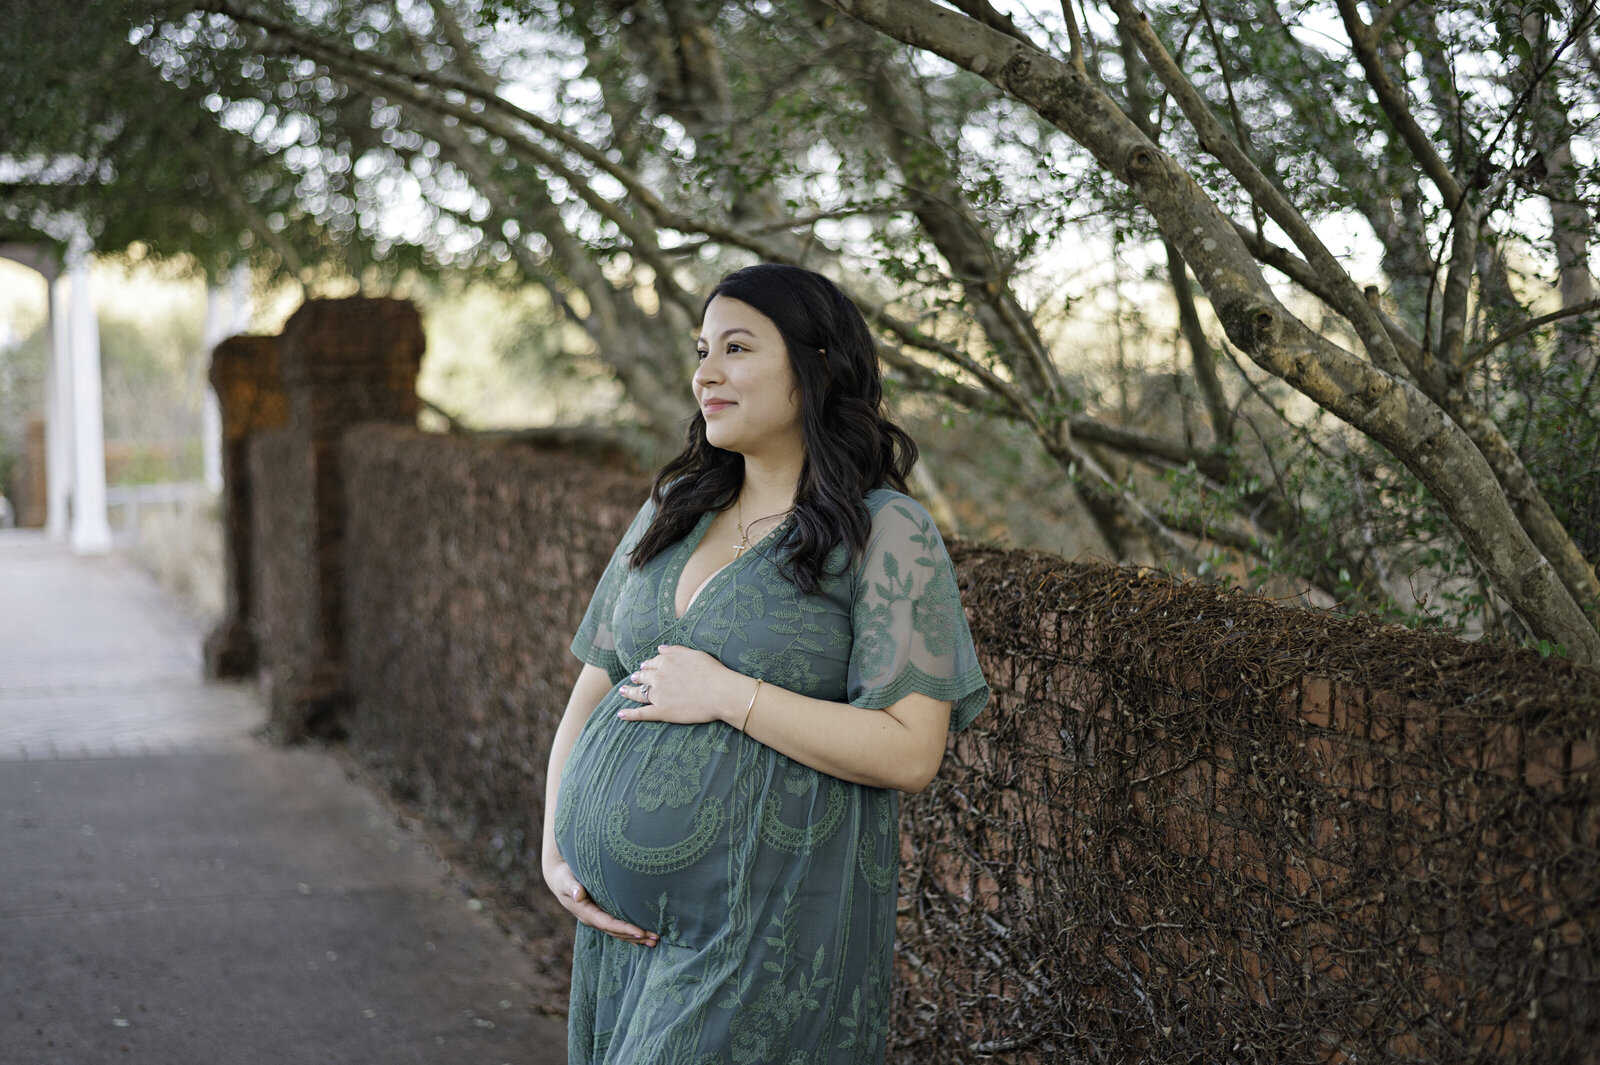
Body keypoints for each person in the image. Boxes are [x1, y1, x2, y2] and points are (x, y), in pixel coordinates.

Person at [542, 262, 990, 1064]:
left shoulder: (886, 533)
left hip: (761, 937)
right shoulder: (673, 511)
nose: (705, 373)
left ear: (816, 366)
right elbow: (592, 689)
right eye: (702, 349)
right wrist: (555, 850)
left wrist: (728, 694)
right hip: (620, 937)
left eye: (737, 348)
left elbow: (910, 749)